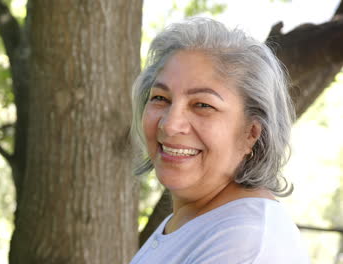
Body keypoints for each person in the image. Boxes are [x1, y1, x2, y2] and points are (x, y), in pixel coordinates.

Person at [129, 18, 310, 264]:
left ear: (251, 133)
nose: (170, 124)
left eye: (203, 105)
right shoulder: (191, 220)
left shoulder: (245, 243)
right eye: (160, 98)